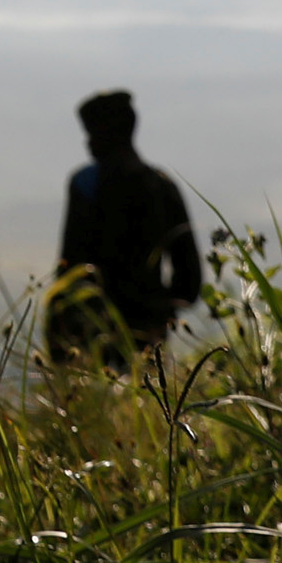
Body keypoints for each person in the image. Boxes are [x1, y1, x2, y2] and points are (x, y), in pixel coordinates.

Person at [47, 90, 200, 365]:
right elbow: (189, 275)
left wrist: (60, 328)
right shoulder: (163, 186)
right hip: (150, 330)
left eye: (92, 134)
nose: (88, 143)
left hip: (92, 327)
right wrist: (163, 313)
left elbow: (69, 265)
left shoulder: (85, 184)